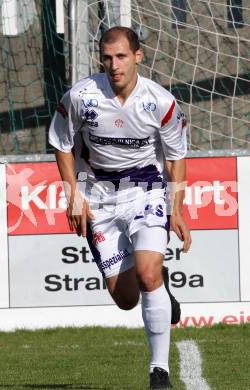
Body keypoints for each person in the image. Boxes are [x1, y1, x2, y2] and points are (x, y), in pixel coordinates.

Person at [49, 26, 191, 389]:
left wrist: (177, 207)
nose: (115, 65)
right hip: (98, 197)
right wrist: (74, 195)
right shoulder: (81, 96)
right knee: (126, 298)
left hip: (146, 189)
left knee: (147, 274)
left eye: (122, 57)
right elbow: (62, 144)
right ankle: (160, 287)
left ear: (138, 56)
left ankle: (159, 371)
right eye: (108, 58)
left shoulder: (160, 102)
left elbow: (175, 157)